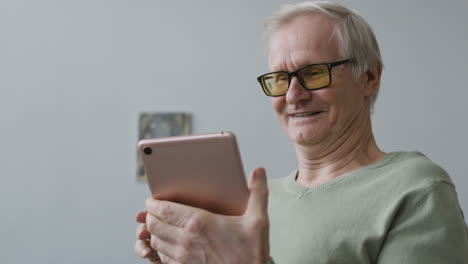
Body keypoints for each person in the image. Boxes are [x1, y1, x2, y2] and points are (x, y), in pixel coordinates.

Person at [134, 1, 468, 263]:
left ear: (369, 77)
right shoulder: (252, 206)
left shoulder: (416, 190)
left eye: (313, 72)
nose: (293, 95)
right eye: (280, 78)